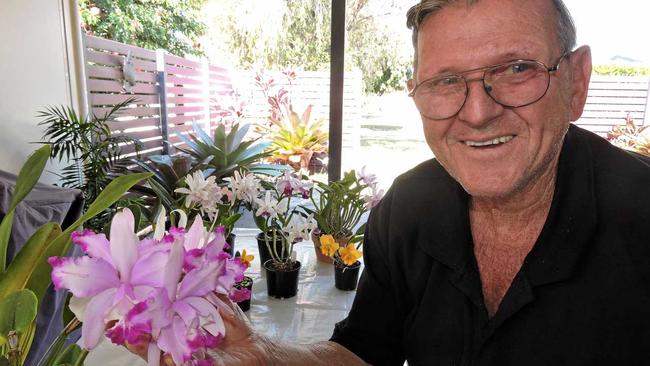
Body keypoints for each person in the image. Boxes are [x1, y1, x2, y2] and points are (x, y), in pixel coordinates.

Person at [133, 0, 650, 364]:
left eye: (517, 69)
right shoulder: (411, 205)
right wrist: (265, 356)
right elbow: (363, 353)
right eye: (446, 81)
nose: (476, 113)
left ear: (577, 81)